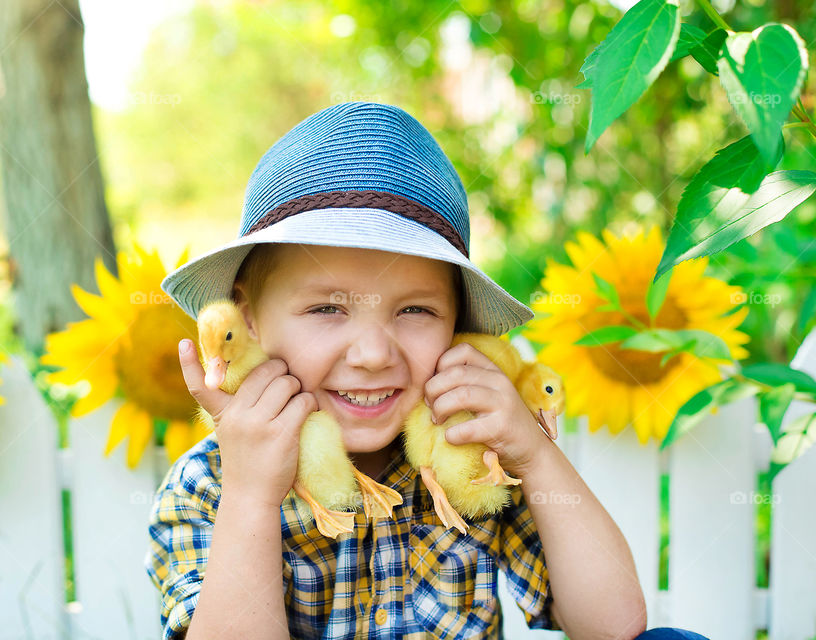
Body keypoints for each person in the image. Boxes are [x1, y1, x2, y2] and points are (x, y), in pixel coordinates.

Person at [145, 101, 709, 640]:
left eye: (414, 310)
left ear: (458, 327)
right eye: (327, 308)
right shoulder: (212, 483)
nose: (371, 354)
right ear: (249, 322)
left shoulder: (469, 458)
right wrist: (252, 495)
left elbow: (615, 626)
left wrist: (534, 457)